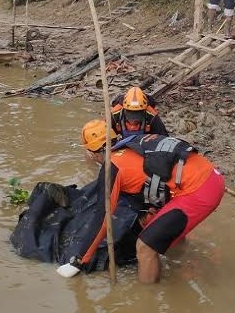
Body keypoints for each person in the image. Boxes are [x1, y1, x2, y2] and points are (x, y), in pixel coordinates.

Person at [58, 120, 225, 283]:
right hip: (210, 175)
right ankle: (178, 257)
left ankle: (148, 297)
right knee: (154, 224)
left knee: (144, 247)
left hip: (199, 191)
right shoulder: (134, 142)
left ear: (92, 152)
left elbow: (103, 217)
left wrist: (79, 259)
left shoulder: (112, 167)